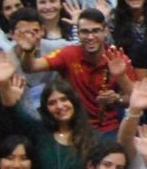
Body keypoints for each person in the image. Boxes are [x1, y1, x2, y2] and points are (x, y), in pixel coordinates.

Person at [22, 9, 136, 137]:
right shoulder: (68, 54)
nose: (90, 37)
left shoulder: (118, 58)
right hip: (75, 126)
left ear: (105, 31)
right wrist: (28, 51)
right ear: (78, 33)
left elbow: (134, 98)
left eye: (95, 31)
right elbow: (30, 67)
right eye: (84, 32)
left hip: (109, 128)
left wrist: (116, 99)